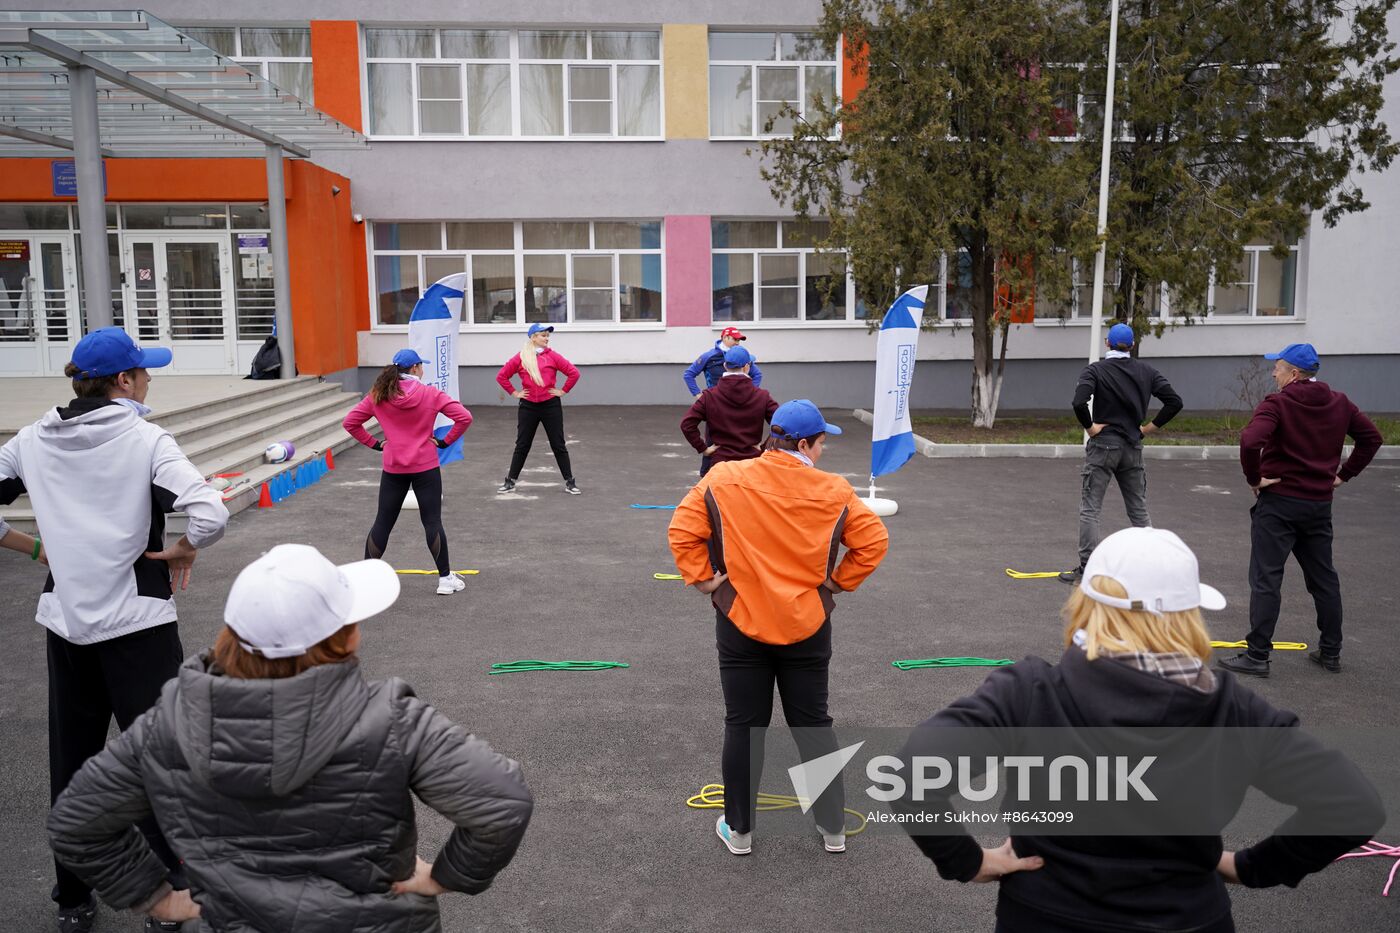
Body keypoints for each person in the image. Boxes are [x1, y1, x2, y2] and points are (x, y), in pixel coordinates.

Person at [893, 526, 1384, 933]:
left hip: (1044, 916)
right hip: (1188, 918)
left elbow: (913, 774)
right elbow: (1351, 803)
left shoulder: (1029, 692)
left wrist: (967, 861)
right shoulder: (1231, 709)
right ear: (1188, 614)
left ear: (1086, 604)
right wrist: (1252, 867)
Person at [47, 544, 534, 933]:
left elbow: (76, 822)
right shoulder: (391, 720)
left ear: (232, 635)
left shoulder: (167, 725)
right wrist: (445, 877)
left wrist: (158, 898)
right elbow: (503, 802)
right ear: (344, 638)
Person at [0, 326, 229, 933]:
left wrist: (34, 550)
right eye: (145, 371)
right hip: (139, 628)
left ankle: (73, 900)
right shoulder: (145, 438)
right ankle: (170, 897)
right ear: (124, 381)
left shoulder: (30, 440)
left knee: (73, 766)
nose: (151, 380)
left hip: (68, 626)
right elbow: (210, 511)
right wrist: (183, 548)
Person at [668, 399, 889, 856]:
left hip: (739, 620)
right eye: (823, 443)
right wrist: (834, 585)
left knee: (744, 725)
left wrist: (706, 581)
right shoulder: (835, 490)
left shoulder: (725, 477)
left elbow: (682, 531)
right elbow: (873, 542)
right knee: (813, 724)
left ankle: (741, 831)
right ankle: (832, 829)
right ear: (804, 444)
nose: (823, 451)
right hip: (807, 622)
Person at [1218, 343, 1382, 678]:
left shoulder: (1278, 403)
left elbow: (1250, 441)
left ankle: (1258, 655)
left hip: (1279, 503)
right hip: (1318, 505)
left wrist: (1254, 478)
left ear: (1293, 374)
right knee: (1323, 579)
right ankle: (1331, 652)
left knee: (1266, 578)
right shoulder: (1340, 402)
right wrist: (1342, 476)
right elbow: (1372, 438)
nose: (1273, 373)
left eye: (1277, 367)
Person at [1059, 322, 1183, 584]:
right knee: (1138, 508)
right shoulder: (1146, 371)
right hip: (1133, 447)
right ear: (1133, 345)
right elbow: (1175, 402)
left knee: (1091, 508)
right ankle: (1152, 566)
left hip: (1103, 446)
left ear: (1107, 344)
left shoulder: (1096, 370)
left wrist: (1090, 427)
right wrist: (1148, 428)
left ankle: (1088, 567)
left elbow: (1078, 402)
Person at [344, 349, 473, 596]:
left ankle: (364, 580)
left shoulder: (379, 394)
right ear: (414, 368)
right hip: (425, 465)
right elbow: (464, 417)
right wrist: (444, 442)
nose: (422, 370)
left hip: (393, 466)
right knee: (432, 522)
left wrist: (375, 443)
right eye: (421, 367)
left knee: (383, 522)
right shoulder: (430, 393)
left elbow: (350, 422)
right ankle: (445, 580)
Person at [495, 323, 581, 494]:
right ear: (533, 337)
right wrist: (515, 393)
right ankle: (510, 481)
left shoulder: (553, 356)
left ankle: (570, 482)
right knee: (522, 444)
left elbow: (574, 373)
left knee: (558, 444)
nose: (546, 338)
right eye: (543, 335)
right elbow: (502, 376)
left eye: (548, 336)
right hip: (528, 407)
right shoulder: (520, 357)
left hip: (550, 405)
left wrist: (563, 391)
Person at [680, 345, 778, 478]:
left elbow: (687, 424)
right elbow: (783, 425)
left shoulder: (710, 396)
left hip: (721, 466)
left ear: (725, 366)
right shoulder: (762, 396)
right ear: (747, 367)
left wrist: (703, 449)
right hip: (751, 465)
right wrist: (764, 447)